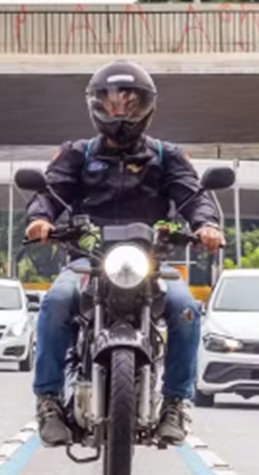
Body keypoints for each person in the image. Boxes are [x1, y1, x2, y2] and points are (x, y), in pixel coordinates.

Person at [25, 59, 225, 449]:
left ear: (145, 106)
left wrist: (207, 226)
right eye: (111, 102)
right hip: (89, 260)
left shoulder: (167, 157)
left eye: (129, 102)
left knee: (186, 310)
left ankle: (175, 403)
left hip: (151, 263)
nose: (120, 110)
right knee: (55, 302)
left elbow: (193, 195)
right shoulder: (77, 155)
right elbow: (50, 193)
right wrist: (40, 220)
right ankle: (48, 400)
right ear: (96, 106)